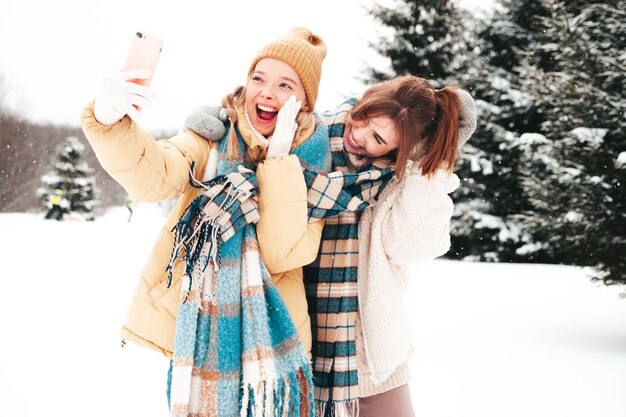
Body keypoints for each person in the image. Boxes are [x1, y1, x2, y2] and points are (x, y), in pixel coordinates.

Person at [81, 27, 329, 416]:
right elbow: (156, 174)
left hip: (274, 349)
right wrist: (108, 120)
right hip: (199, 334)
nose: (266, 92)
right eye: (259, 78)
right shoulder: (211, 139)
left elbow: (281, 254)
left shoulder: (317, 170)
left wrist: (280, 162)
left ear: (305, 102)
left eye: (285, 85)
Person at [303, 75, 477, 417]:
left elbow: (412, 245)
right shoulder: (307, 139)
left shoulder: (396, 184)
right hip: (297, 340)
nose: (359, 135)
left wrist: (433, 166)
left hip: (367, 356)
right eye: (364, 118)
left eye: (378, 138)